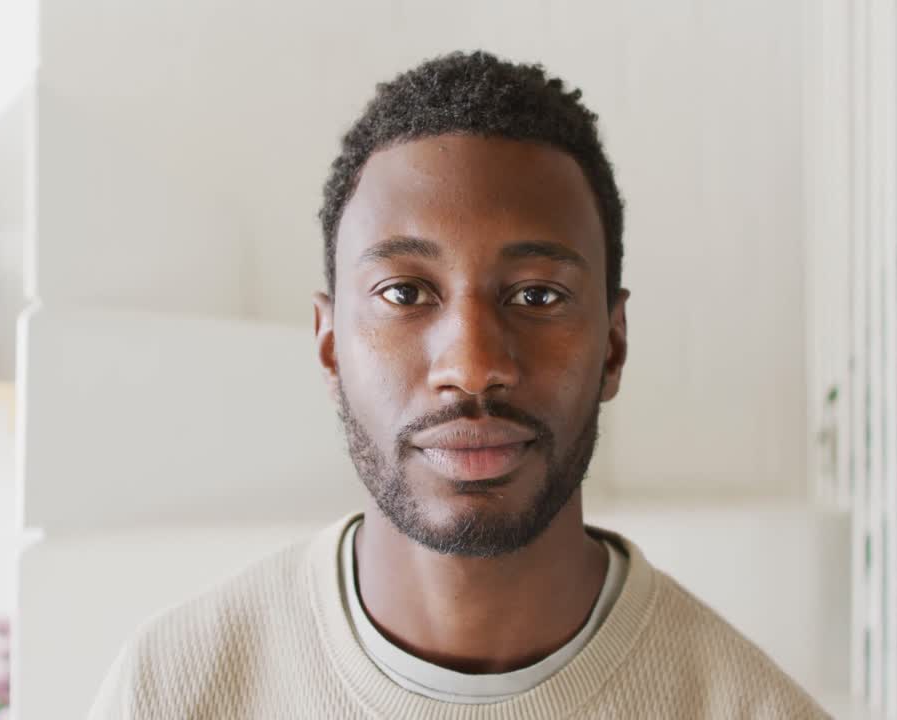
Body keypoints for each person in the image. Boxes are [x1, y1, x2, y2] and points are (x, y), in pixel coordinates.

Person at [88, 50, 828, 719]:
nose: (472, 365)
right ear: (328, 348)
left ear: (614, 345)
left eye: (537, 295)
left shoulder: (751, 707)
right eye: (406, 294)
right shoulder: (172, 692)